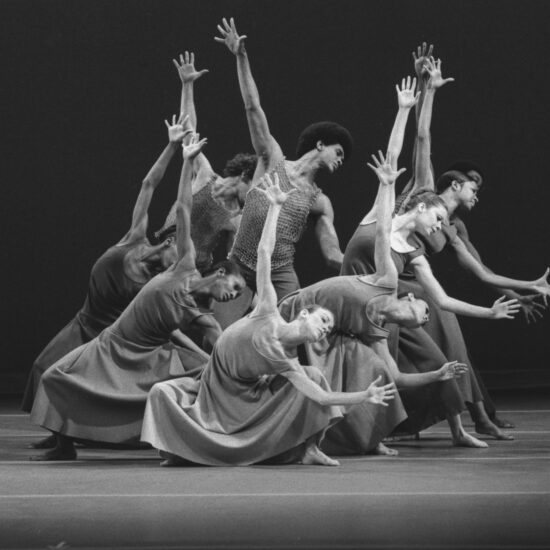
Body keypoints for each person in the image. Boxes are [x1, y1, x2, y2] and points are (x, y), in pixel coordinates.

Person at [141, 172, 396, 467]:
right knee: (162, 391)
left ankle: (310, 449)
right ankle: (180, 449)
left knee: (314, 376)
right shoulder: (268, 310)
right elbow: (264, 252)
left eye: (328, 326)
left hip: (248, 397)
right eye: (323, 319)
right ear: (303, 314)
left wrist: (364, 395)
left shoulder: (288, 363)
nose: (327, 326)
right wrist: (274, 207)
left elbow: (322, 399)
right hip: (213, 393)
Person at [29, 133, 247, 461]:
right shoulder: (179, 262)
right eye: (234, 287)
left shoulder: (197, 307)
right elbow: (181, 207)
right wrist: (183, 158)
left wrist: (239, 368)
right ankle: (64, 445)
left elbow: (219, 341)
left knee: (193, 377)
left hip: (143, 351)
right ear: (218, 272)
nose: (232, 296)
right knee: (52, 376)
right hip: (108, 339)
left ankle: (188, 436)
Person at [280, 151, 477, 455]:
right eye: (425, 314)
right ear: (409, 297)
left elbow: (399, 374)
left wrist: (438, 374)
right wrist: (405, 112)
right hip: (311, 314)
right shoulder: (386, 270)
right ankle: (311, 440)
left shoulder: (383, 317)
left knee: (376, 369)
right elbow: (386, 223)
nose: (427, 318)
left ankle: (370, 437)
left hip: (351, 325)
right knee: (324, 373)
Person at [397, 52, 550, 431]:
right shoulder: (425, 191)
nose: (478, 195)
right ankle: (473, 419)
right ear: (455, 185)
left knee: (454, 338)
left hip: (417, 282)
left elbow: (482, 273)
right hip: (393, 277)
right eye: (474, 187)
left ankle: (479, 418)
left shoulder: (454, 228)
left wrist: (527, 288)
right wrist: (429, 90)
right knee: (449, 328)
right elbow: (422, 138)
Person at [22, 114, 195, 422]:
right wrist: (171, 147)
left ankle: (74, 437)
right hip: (83, 322)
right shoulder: (134, 237)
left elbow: (169, 327)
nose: (181, 261)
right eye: (178, 251)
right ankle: (55, 433)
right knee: (41, 368)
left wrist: (205, 355)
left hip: (109, 336)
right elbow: (148, 184)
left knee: (78, 382)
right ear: (168, 243)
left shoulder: (154, 284)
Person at [215, 18, 353, 300]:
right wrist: (241, 57)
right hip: (239, 262)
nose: (340, 160)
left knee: (294, 326)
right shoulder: (273, 160)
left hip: (279, 272)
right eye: (338, 152)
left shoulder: (320, 202)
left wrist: (374, 270)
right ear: (320, 144)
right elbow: (253, 107)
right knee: (222, 337)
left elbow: (333, 255)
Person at [154, 52, 258, 274]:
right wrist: (187, 85)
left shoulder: (237, 217)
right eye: (253, 186)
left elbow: (234, 263)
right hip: (165, 256)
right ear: (244, 175)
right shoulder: (205, 174)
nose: (253, 194)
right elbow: (188, 130)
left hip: (194, 271)